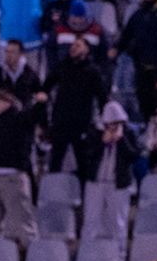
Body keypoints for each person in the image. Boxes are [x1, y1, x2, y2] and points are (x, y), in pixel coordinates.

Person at [0, 89, 41, 244]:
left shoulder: (19, 119)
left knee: (21, 218)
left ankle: (33, 250)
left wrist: (41, 103)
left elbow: (34, 117)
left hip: (12, 176)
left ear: (9, 104)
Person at [40, 36, 108, 173]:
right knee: (56, 159)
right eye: (72, 45)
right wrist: (42, 94)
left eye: (78, 45)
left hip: (81, 123)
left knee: (82, 160)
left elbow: (102, 97)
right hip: (60, 121)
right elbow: (46, 85)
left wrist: (105, 120)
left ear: (87, 49)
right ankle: (55, 188)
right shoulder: (63, 66)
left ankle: (84, 191)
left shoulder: (93, 71)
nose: (73, 48)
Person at [87, 100, 139, 241]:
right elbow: (87, 155)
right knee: (92, 221)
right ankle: (89, 255)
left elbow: (133, 156)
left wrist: (121, 140)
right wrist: (102, 143)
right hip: (96, 182)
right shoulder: (95, 133)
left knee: (118, 222)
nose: (113, 127)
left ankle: (118, 257)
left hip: (119, 184)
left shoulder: (129, 134)